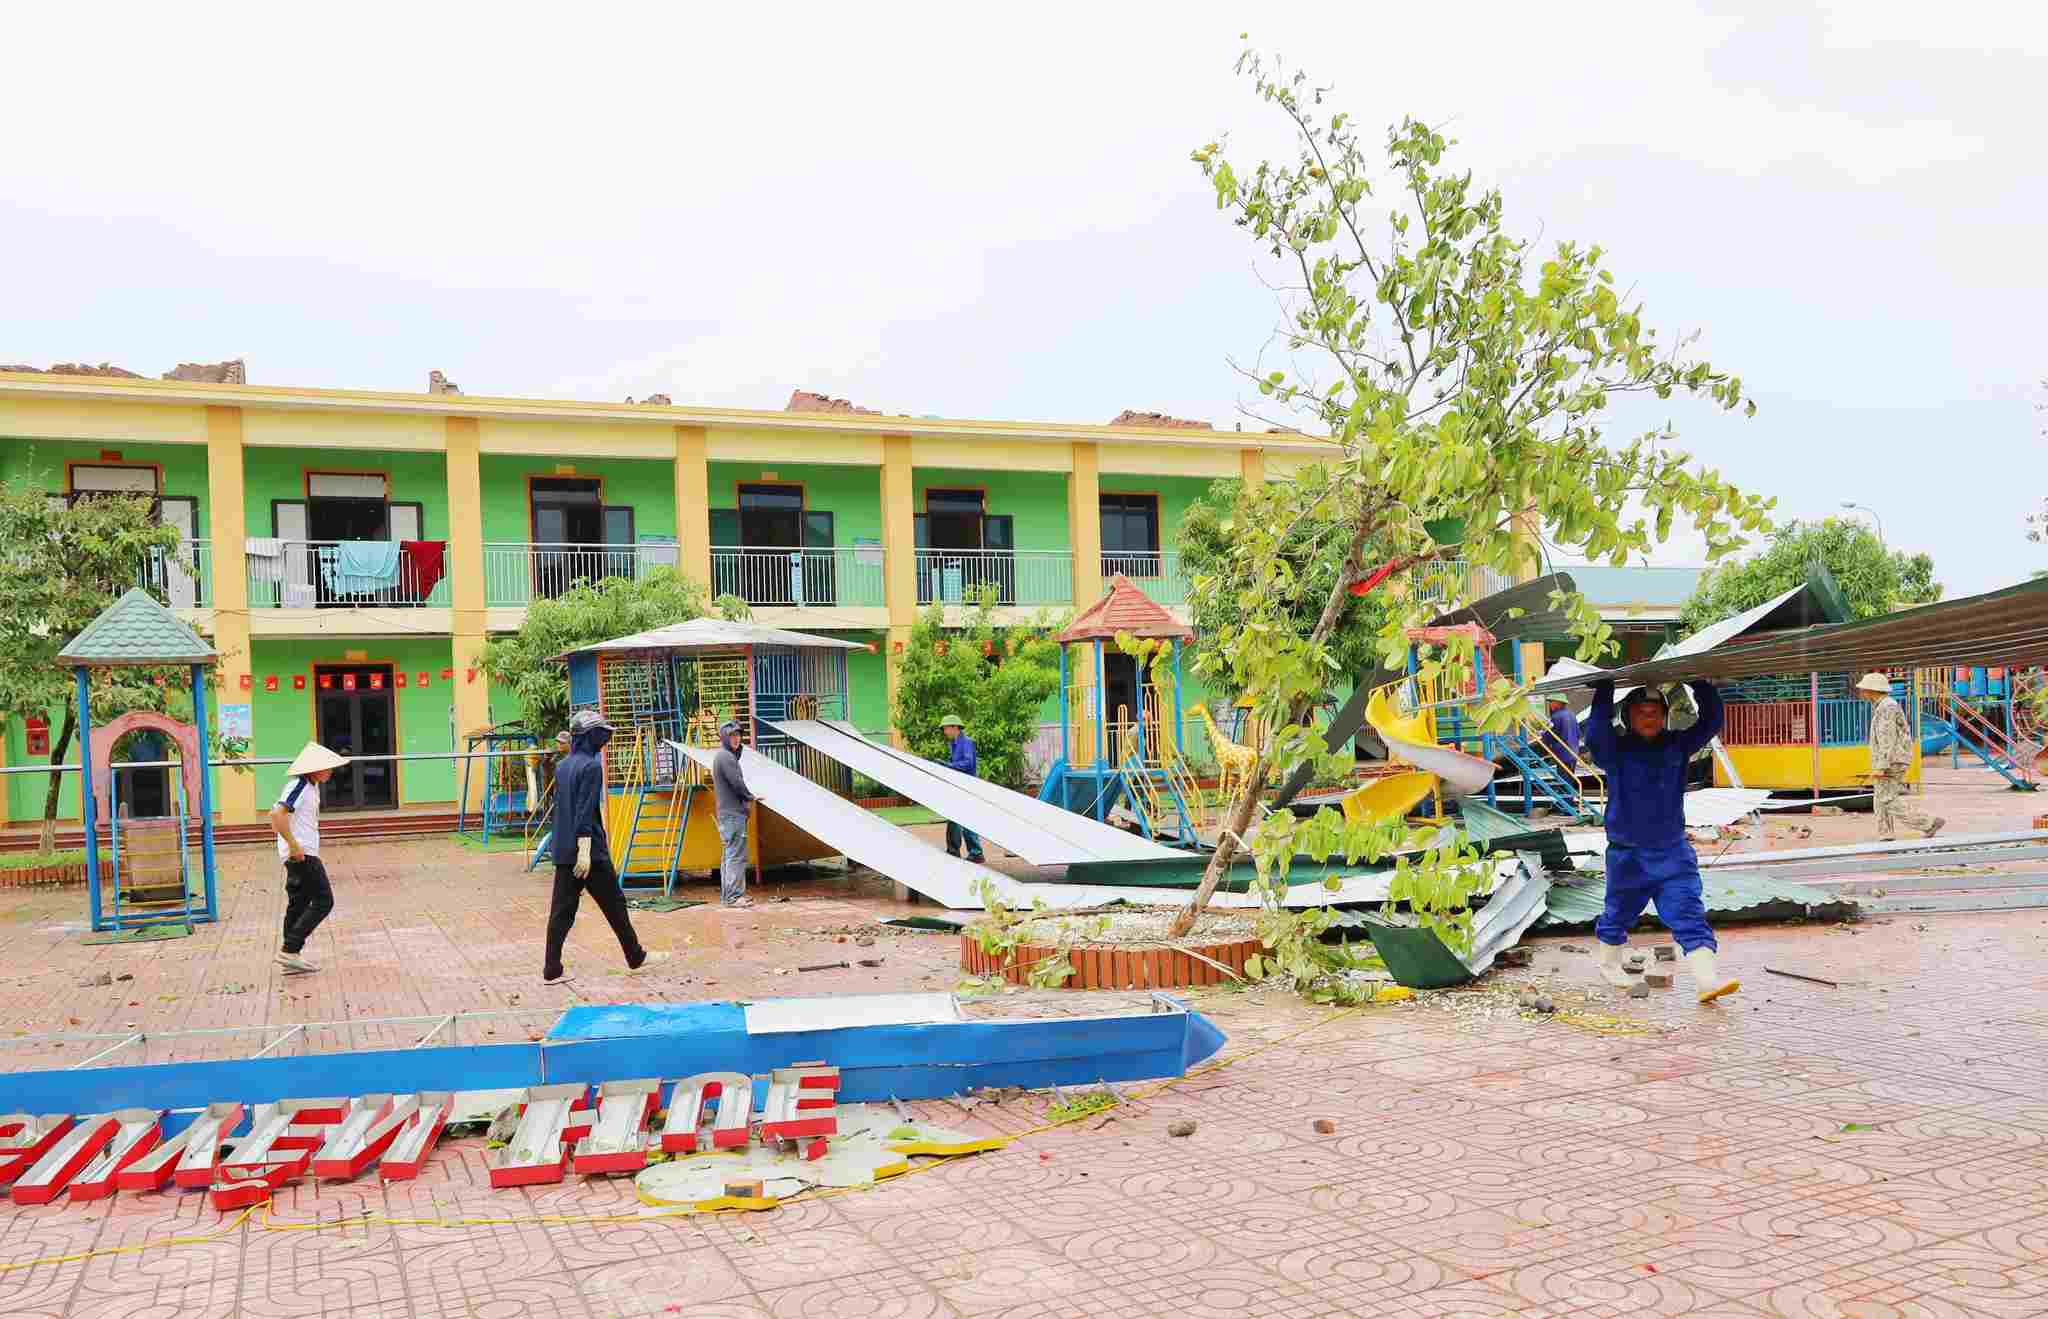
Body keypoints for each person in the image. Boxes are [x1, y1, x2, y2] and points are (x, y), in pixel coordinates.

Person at [1584, 680, 1740, 1004]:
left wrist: (1700, 683)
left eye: (1655, 712)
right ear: (1628, 717)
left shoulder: (1677, 745)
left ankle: (1707, 982)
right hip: (1627, 855)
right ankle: (1609, 965)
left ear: (1666, 716)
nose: (1649, 717)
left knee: (1688, 913)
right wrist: (1604, 690)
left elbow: (1710, 721)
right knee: (1617, 914)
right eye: (1641, 712)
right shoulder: (1615, 750)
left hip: (1672, 852)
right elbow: (1596, 734)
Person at [543, 710, 665, 984]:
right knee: (615, 905)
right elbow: (585, 810)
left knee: (561, 911)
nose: (604, 739)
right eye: (601, 734)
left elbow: (562, 810)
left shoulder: (562, 766)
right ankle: (635, 955)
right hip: (590, 853)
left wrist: (569, 848)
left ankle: (551, 969)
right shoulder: (591, 767)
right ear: (590, 737)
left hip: (563, 849)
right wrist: (585, 851)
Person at [271, 742, 347, 975]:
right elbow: (276, 815)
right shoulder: (300, 786)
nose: (331, 772)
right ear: (314, 768)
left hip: (301, 852)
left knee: (299, 903)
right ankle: (290, 949)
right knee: (324, 901)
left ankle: (290, 956)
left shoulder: (310, 787)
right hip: (302, 854)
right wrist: (294, 845)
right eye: (327, 767)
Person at [1857, 672, 1944, 840]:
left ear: (1871, 690)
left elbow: (1887, 737)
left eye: (1864, 689)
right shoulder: (1882, 705)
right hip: (1892, 758)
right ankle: (1885, 833)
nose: (1862, 692)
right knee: (1880, 797)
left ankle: (1928, 822)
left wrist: (1882, 766)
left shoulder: (1887, 707)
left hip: (1892, 759)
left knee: (1887, 798)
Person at [712, 719, 757, 909]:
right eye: (732, 736)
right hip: (732, 816)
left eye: (738, 735)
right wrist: (750, 797)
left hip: (728, 815)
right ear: (725, 738)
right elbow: (737, 783)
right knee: (736, 856)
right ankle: (733, 897)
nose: (736, 739)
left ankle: (728, 897)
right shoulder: (725, 757)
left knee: (730, 856)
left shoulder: (725, 756)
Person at [937, 715, 987, 863]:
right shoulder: (955, 744)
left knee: (964, 820)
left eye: (945, 728)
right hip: (959, 786)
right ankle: (961, 851)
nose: (944, 731)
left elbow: (968, 763)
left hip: (968, 787)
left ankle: (975, 852)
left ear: (954, 727)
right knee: (957, 819)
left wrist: (948, 765)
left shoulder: (966, 742)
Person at [1542, 695, 1581, 768]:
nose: (1550, 705)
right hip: (1574, 753)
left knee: (1563, 776)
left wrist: (1542, 734)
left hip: (1562, 754)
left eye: (1551, 702)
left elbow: (1550, 735)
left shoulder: (1557, 716)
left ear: (1558, 703)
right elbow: (1578, 733)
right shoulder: (1572, 715)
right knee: (1570, 777)